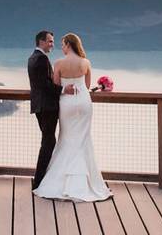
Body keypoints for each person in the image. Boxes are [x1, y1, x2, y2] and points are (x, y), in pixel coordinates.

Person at [33, 32, 112, 202]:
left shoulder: (59, 63)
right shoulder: (86, 62)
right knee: (83, 139)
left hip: (67, 103)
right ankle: (87, 182)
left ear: (69, 44)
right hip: (84, 102)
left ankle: (61, 181)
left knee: (66, 137)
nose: (61, 48)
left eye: (62, 44)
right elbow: (87, 85)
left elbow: (55, 85)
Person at [28, 30, 75, 189]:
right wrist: (63, 89)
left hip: (40, 106)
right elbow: (45, 85)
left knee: (47, 141)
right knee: (49, 142)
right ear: (41, 41)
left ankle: (42, 178)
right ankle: (39, 181)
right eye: (50, 41)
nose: (52, 45)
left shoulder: (32, 57)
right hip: (47, 107)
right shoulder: (41, 59)